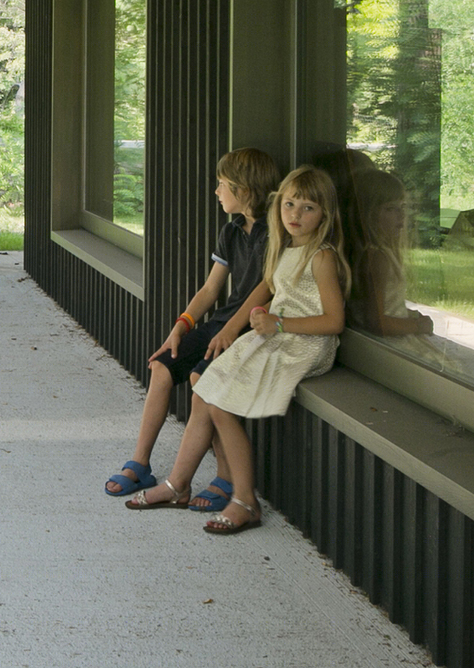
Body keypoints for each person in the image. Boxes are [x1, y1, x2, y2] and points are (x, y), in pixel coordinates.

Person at [107, 147, 280, 516]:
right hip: (223, 321)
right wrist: (180, 327)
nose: (217, 192)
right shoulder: (231, 231)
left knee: (204, 380)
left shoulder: (274, 233)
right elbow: (210, 290)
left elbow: (267, 288)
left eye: (222, 185)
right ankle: (140, 465)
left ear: (244, 190)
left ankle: (223, 476)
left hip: (249, 328)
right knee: (161, 366)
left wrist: (231, 331)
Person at [183, 166, 349, 536]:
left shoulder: (321, 257)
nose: (295, 215)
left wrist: (279, 324)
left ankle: (244, 500)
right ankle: (225, 490)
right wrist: (237, 326)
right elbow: (266, 288)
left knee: (220, 402)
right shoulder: (286, 247)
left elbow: (334, 321)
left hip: (305, 343)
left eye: (307, 208)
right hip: (279, 333)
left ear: (325, 214)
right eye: (289, 204)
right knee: (210, 390)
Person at [345, 168, 436, 337]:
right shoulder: (377, 258)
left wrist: (410, 315)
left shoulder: (380, 253)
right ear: (368, 214)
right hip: (390, 342)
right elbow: (377, 322)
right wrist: (417, 326)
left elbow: (389, 306)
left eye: (402, 207)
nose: (401, 215)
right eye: (390, 209)